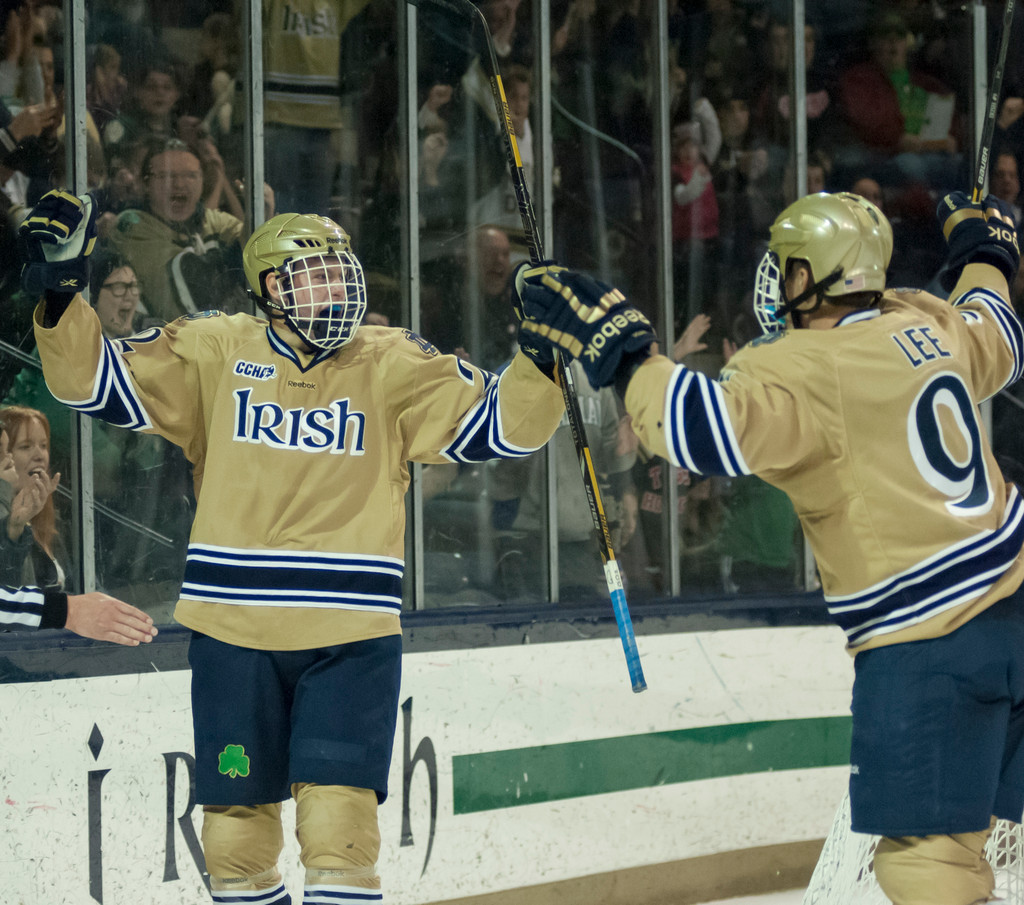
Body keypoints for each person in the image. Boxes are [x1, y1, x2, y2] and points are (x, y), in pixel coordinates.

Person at [19, 191, 564, 905]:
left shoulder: (391, 361)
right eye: (314, 274)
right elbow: (88, 380)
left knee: (340, 832)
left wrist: (543, 351)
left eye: (341, 272)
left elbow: (505, 427)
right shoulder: (215, 348)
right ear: (270, 288)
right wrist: (62, 292)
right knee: (234, 845)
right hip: (232, 632)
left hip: (350, 637)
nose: (335, 287)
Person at [513, 189, 1024, 905]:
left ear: (814, 273)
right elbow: (996, 326)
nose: (779, 279)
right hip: (1015, 600)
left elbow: (698, 431)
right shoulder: (924, 317)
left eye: (788, 266)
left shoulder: (801, 364)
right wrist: (986, 249)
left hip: (928, 639)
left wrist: (626, 354)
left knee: (925, 866)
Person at [107, 137, 247, 322]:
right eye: (166, 176)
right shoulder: (131, 225)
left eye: (190, 175)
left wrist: (263, 216)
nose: (179, 184)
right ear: (146, 184)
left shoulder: (215, 221)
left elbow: (261, 259)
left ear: (203, 181)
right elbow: (196, 294)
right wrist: (244, 245)